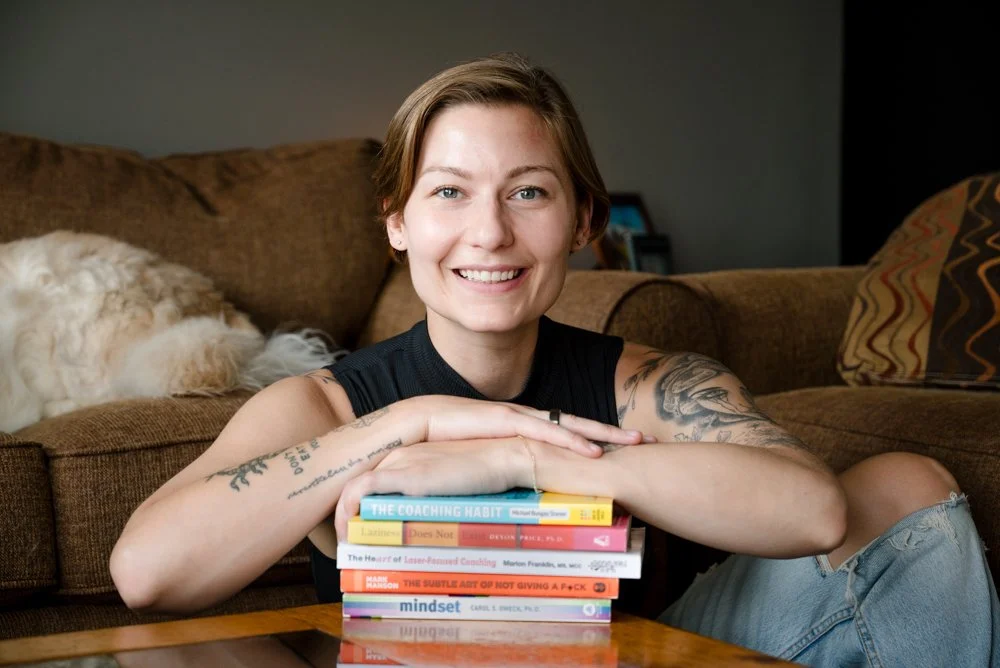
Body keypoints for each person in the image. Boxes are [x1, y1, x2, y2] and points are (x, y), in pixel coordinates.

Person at [110, 53, 999, 666]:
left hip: (642, 654)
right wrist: (409, 424)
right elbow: (147, 573)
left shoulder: (645, 383)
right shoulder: (332, 406)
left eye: (528, 192)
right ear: (397, 221)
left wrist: (526, 454)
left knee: (907, 483)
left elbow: (814, 511)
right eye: (449, 192)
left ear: (582, 221)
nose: (489, 232)